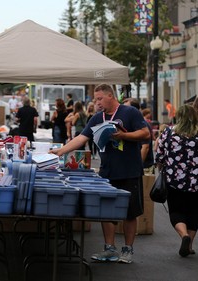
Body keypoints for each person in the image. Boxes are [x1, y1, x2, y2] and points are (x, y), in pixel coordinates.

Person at [51, 84, 150, 264]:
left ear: (110, 96)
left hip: (129, 170)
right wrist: (60, 151)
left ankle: (127, 250)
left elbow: (145, 134)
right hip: (107, 171)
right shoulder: (97, 118)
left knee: (130, 212)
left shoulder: (130, 113)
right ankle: (109, 248)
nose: (96, 103)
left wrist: (124, 136)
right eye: (95, 99)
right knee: (106, 210)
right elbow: (82, 137)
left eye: (99, 99)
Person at [155, 104, 198, 257]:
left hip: (174, 180)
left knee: (176, 211)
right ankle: (190, 245)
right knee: (194, 211)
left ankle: (184, 236)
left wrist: (161, 167)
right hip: (195, 182)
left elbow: (159, 155)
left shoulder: (169, 132)